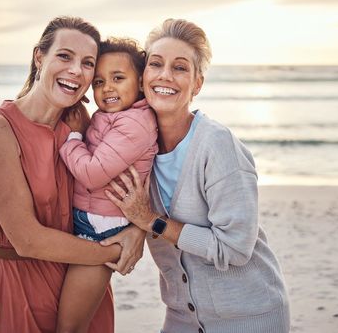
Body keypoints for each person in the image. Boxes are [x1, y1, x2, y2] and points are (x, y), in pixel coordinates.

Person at [106, 18, 291, 333]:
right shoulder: (137, 148)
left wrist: (150, 222)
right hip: (182, 316)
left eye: (180, 68)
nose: (166, 75)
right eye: (156, 64)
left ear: (197, 84)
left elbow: (234, 248)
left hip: (249, 317)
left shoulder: (217, 146)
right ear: (142, 78)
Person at [0, 16, 145, 333]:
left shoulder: (83, 126)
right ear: (40, 57)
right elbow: (27, 240)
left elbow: (127, 188)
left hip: (84, 281)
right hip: (25, 285)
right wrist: (115, 252)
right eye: (65, 56)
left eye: (87, 63)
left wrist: (138, 231)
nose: (76, 70)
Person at [56, 37, 158, 332]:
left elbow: (91, 174)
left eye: (118, 78)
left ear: (140, 83)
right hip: (91, 218)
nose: (107, 88)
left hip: (100, 230)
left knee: (69, 326)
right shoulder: (114, 116)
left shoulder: (134, 124)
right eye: (98, 82)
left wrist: (74, 137)